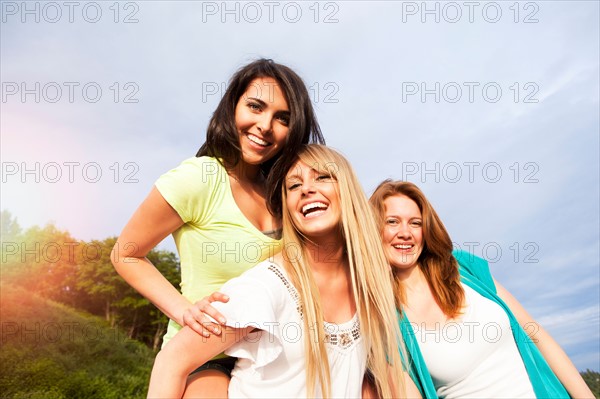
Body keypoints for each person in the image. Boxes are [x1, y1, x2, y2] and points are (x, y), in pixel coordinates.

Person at [111, 59, 324, 397]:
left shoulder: (285, 195)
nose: (265, 126)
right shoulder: (200, 178)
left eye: (282, 118)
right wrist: (183, 309)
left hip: (272, 363)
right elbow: (125, 254)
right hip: (207, 358)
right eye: (255, 106)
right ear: (232, 106)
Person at [147, 145, 419, 398]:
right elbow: (173, 361)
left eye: (322, 177)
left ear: (348, 191)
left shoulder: (369, 287)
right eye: (294, 185)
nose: (306, 189)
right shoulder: (267, 284)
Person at [369, 180, 594, 398]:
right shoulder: (384, 320)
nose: (405, 232)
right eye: (392, 222)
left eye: (415, 223)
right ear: (374, 230)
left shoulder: (463, 267)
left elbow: (536, 335)